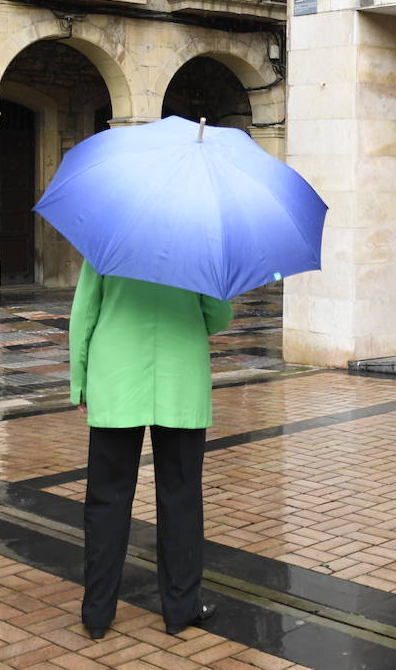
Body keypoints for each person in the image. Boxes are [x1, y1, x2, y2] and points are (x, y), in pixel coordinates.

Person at [72, 261, 232, 639]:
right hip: (181, 376)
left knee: (106, 500)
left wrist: (79, 378)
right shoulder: (199, 245)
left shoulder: (109, 237)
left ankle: (97, 613)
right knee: (180, 498)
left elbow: (84, 313)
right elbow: (219, 315)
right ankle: (180, 608)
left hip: (116, 378)